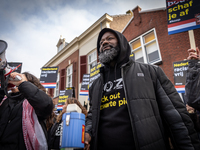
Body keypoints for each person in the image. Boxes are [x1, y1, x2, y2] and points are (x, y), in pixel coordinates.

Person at [84, 28, 200, 150]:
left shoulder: (151, 72)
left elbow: (176, 117)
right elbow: (92, 116)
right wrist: (88, 131)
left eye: (110, 38)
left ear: (122, 43)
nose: (104, 43)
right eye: (101, 42)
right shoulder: (95, 85)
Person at [0, 71, 53, 150]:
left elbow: (46, 105)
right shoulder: (4, 101)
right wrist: (2, 89)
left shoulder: (33, 104)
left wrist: (23, 83)